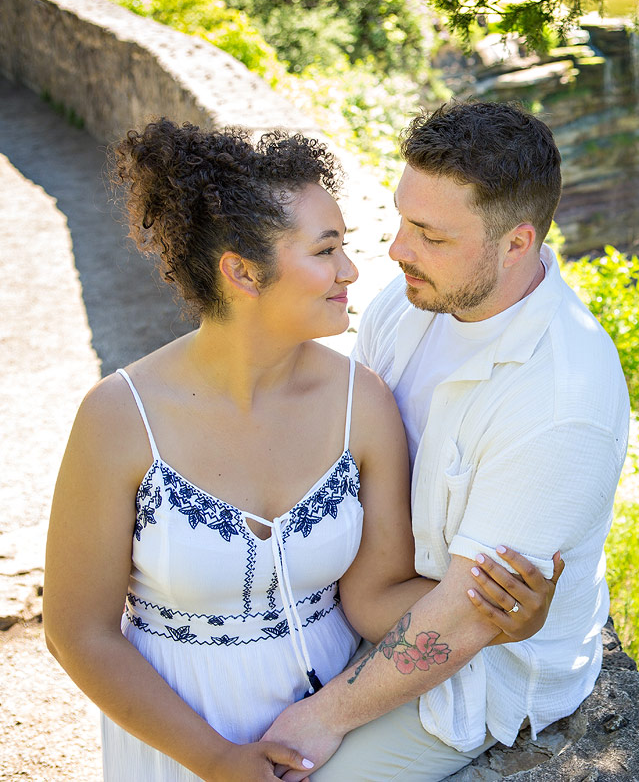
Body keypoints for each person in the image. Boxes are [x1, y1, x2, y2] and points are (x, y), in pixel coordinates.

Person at [42, 120, 556, 782]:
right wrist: (216, 759)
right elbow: (78, 633)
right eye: (326, 250)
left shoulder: (362, 404)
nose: (351, 270)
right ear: (243, 272)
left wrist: (496, 616)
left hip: (331, 735)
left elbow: (374, 597)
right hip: (174, 740)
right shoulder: (118, 417)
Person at [261, 100, 632, 781]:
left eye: (430, 235)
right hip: (366, 607)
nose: (398, 249)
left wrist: (327, 715)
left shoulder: (561, 401)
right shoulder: (407, 304)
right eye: (403, 218)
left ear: (517, 243)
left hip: (475, 679)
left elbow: (468, 618)